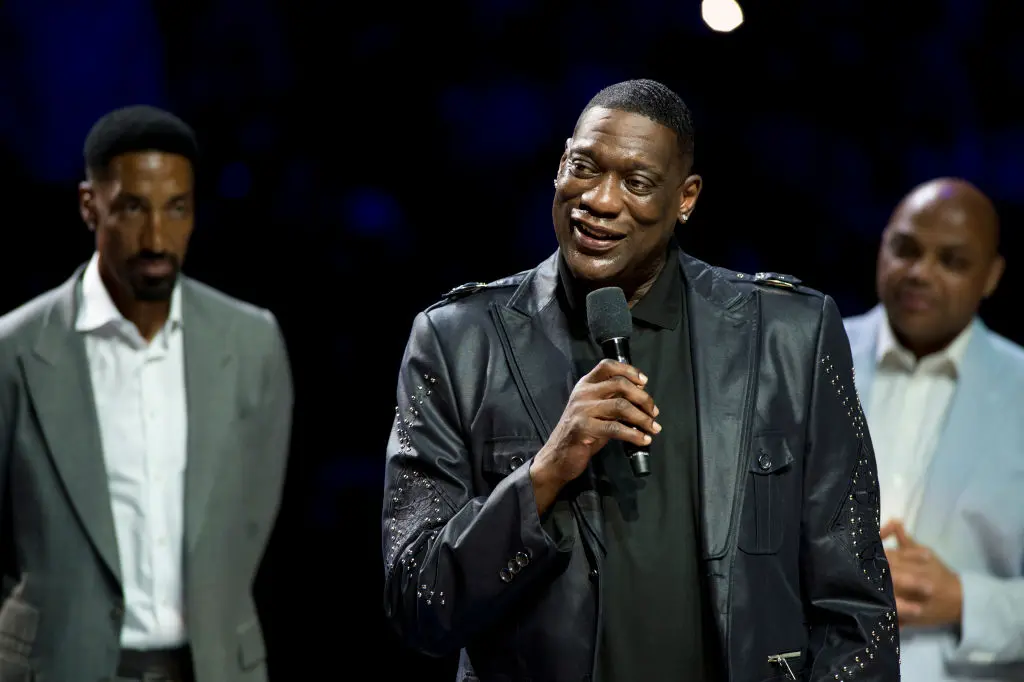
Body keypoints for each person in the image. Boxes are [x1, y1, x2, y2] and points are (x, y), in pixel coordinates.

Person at [382, 79, 899, 681]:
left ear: (686, 198)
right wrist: (544, 473)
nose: (600, 200)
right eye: (584, 168)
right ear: (558, 168)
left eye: (636, 182)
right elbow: (418, 602)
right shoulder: (457, 341)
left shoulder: (789, 334)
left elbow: (857, 605)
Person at [0, 105, 293, 682]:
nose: (157, 237)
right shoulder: (13, 351)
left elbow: (251, 519)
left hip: (212, 667)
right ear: (90, 206)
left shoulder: (252, 341)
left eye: (176, 208)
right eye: (133, 207)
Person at [845, 177, 1024, 681]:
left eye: (952, 261)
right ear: (882, 247)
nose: (920, 273)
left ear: (991, 276)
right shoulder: (811, 356)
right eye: (905, 249)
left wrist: (967, 600)